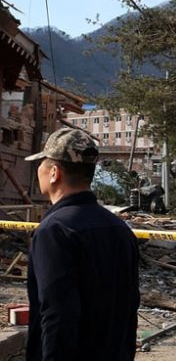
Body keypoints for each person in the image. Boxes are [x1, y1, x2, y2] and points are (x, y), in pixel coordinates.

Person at [24, 128, 140, 360]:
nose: (38, 170)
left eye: (42, 163)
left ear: (54, 172)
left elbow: (58, 313)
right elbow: (130, 308)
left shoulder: (54, 231)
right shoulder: (119, 228)